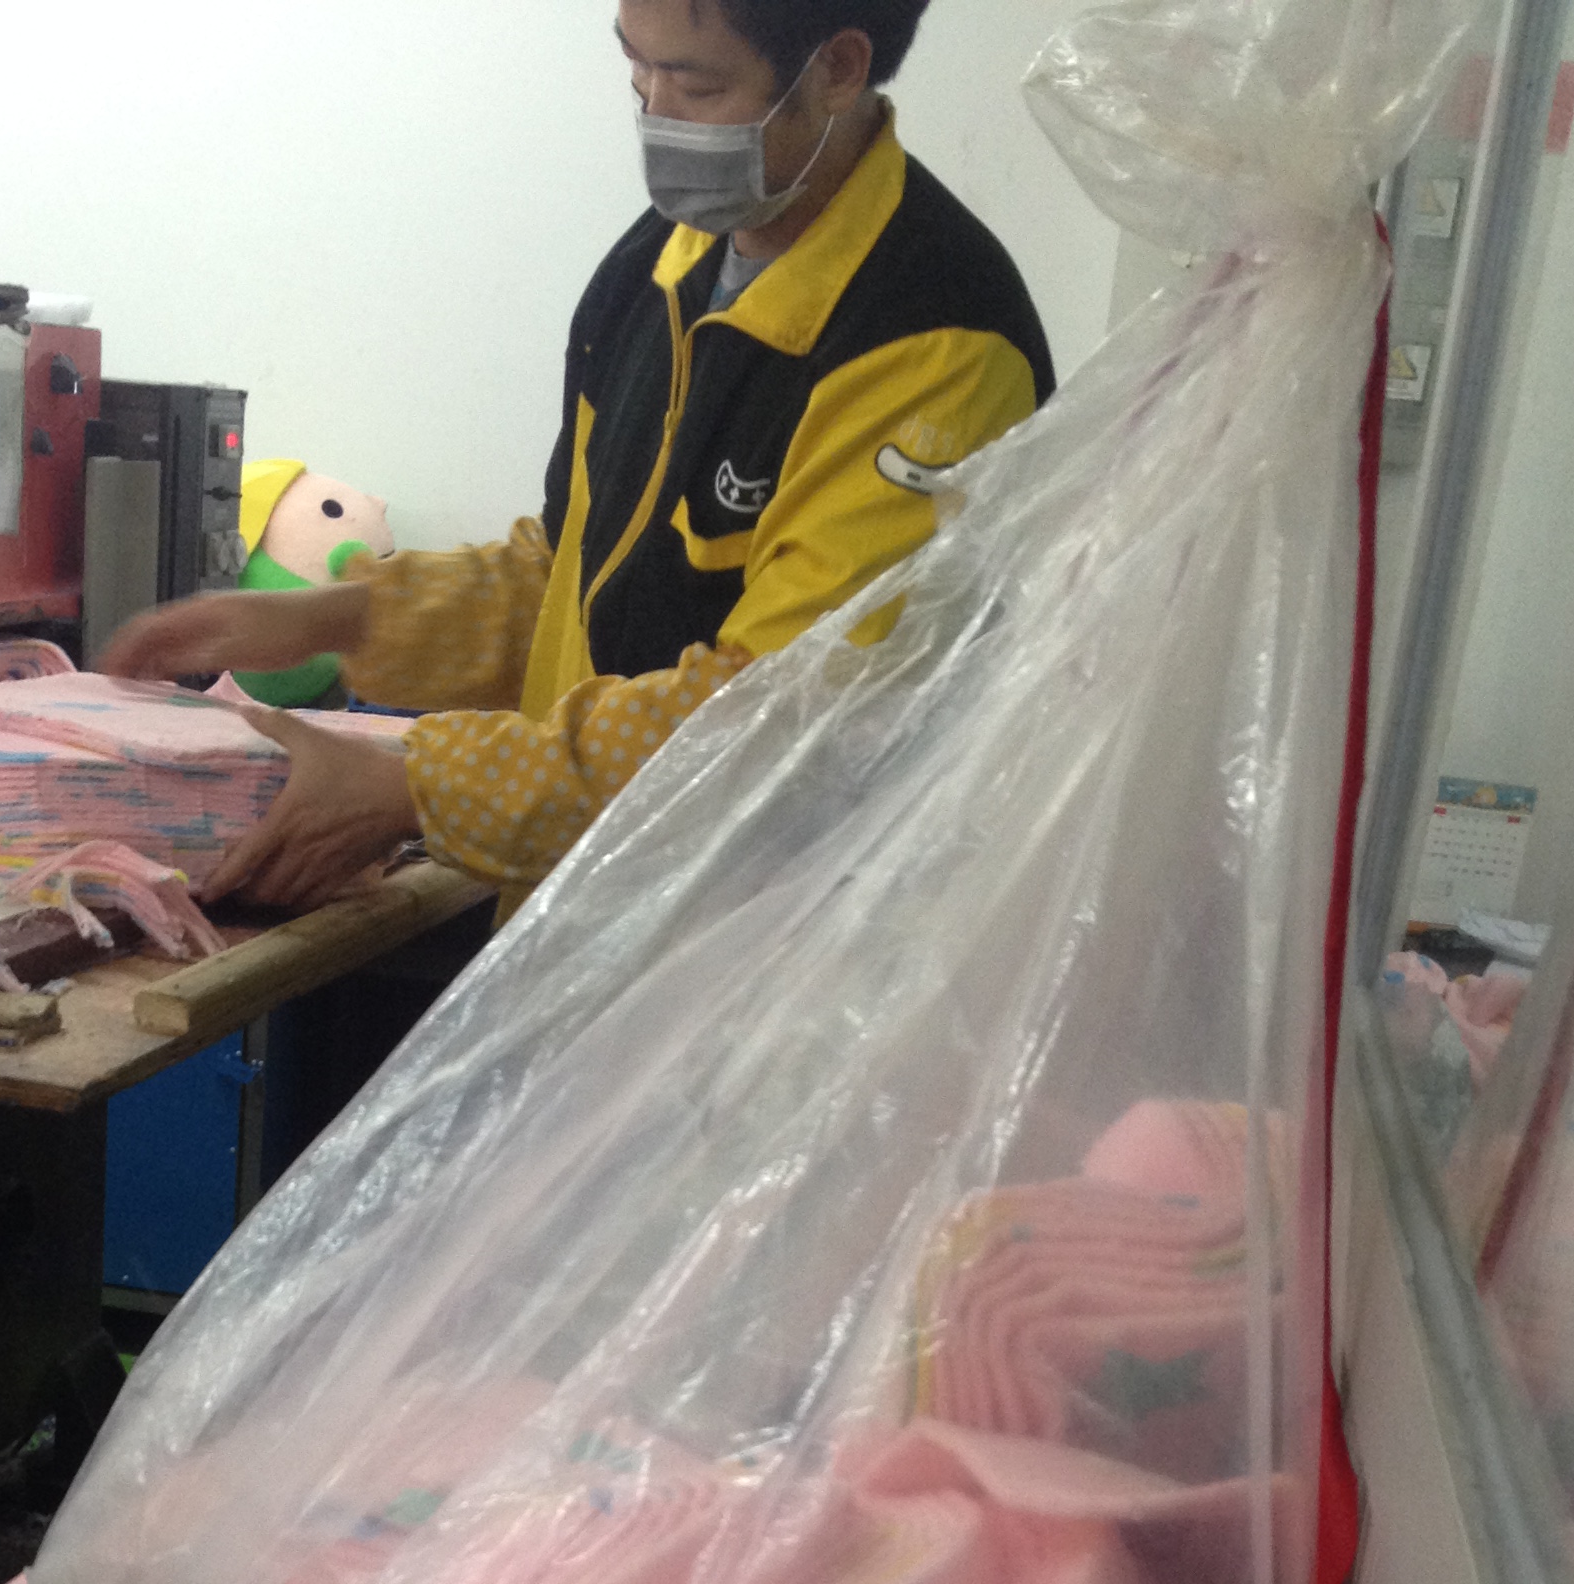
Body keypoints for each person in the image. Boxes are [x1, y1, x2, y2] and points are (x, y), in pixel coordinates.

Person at [105, 0, 1055, 913]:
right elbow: (571, 573)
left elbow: (785, 728)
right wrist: (335, 619)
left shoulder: (933, 347)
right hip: (590, 917)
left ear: (838, 67)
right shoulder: (658, 268)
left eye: (695, 83)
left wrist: (417, 786)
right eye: (635, 68)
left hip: (773, 956)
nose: (655, 114)